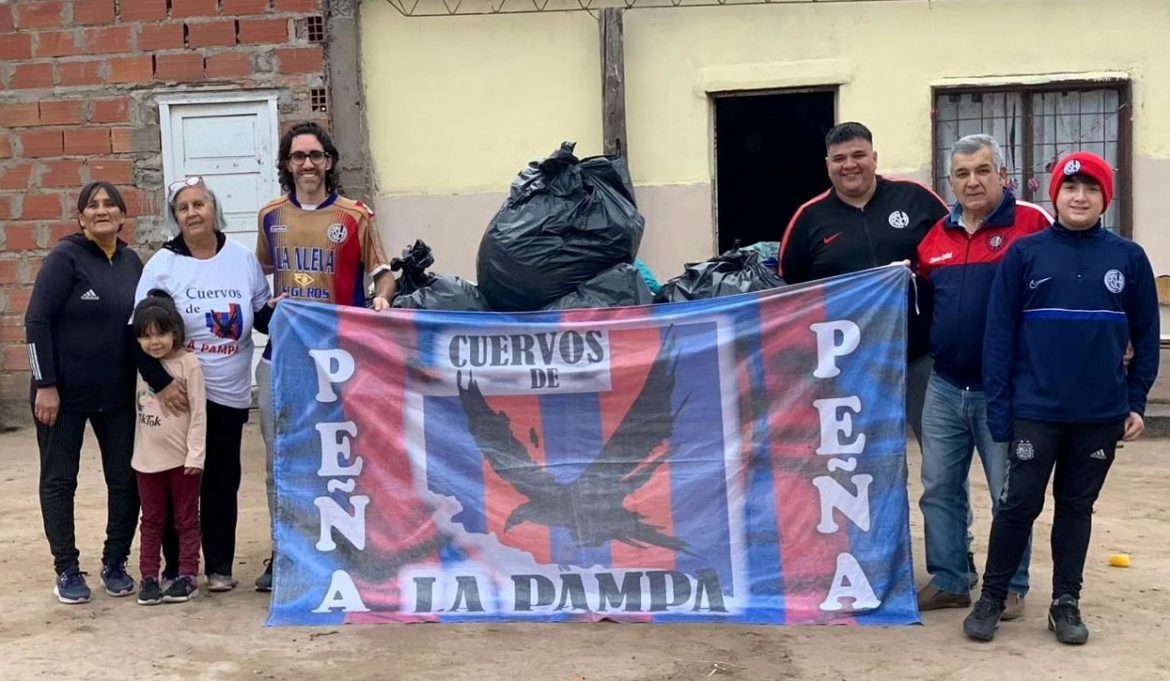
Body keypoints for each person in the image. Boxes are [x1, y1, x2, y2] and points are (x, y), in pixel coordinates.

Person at [963, 152, 1159, 644]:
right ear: (1056, 195)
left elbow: (1147, 334)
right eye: (1070, 188)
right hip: (1035, 412)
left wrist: (1135, 401)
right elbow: (999, 337)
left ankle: (1065, 603)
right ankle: (991, 598)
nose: (1079, 196)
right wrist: (1001, 412)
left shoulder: (1128, 258)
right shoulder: (1026, 254)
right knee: (1017, 506)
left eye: (1091, 189)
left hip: (1099, 414)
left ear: (1104, 200)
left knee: (1076, 508)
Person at [253, 121, 395, 591]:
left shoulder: (356, 216)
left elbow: (383, 274)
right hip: (283, 360)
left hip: (338, 363)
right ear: (287, 165)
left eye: (315, 155)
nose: (307, 164)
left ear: (330, 162)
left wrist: (382, 300)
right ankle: (285, 554)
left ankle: (347, 550)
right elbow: (265, 276)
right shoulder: (270, 216)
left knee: (342, 460)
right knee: (282, 462)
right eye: (298, 157)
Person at [915, 134, 1051, 618]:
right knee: (938, 489)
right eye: (962, 174)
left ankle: (1010, 585)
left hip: (1006, 390)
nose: (972, 181)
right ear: (950, 182)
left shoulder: (1034, 226)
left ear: (1003, 175)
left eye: (983, 170)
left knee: (1008, 494)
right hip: (945, 385)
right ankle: (951, 579)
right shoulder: (934, 238)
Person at [135, 178, 271, 593]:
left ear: (214, 209)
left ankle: (220, 567)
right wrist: (160, 384)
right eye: (183, 208)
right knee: (179, 482)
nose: (192, 213)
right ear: (175, 218)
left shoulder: (242, 260)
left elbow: (261, 317)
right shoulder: (162, 265)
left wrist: (296, 315)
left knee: (221, 480)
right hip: (177, 398)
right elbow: (137, 333)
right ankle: (178, 569)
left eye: (199, 204)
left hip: (229, 394)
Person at [779, 121, 949, 443]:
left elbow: (954, 254)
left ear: (875, 157)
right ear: (828, 165)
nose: (850, 165)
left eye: (858, 155)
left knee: (941, 460)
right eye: (839, 158)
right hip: (851, 365)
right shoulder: (809, 218)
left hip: (921, 355)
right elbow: (792, 292)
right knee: (864, 459)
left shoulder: (915, 199)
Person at [25, 181, 142, 604]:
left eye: (110, 204)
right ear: (80, 217)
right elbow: (36, 323)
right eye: (92, 205)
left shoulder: (132, 262)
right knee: (59, 481)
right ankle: (67, 569)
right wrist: (46, 385)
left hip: (117, 395)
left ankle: (115, 562)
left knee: (126, 479)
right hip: (63, 396)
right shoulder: (64, 258)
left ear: (123, 216)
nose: (102, 210)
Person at [131, 290, 207, 605]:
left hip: (182, 461)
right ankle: (149, 577)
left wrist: (196, 455)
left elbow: (200, 413)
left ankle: (188, 575)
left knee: (187, 518)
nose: (154, 342)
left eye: (161, 333)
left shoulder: (188, 364)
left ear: (175, 332)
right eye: (146, 336)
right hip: (146, 461)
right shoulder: (139, 365)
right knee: (151, 520)